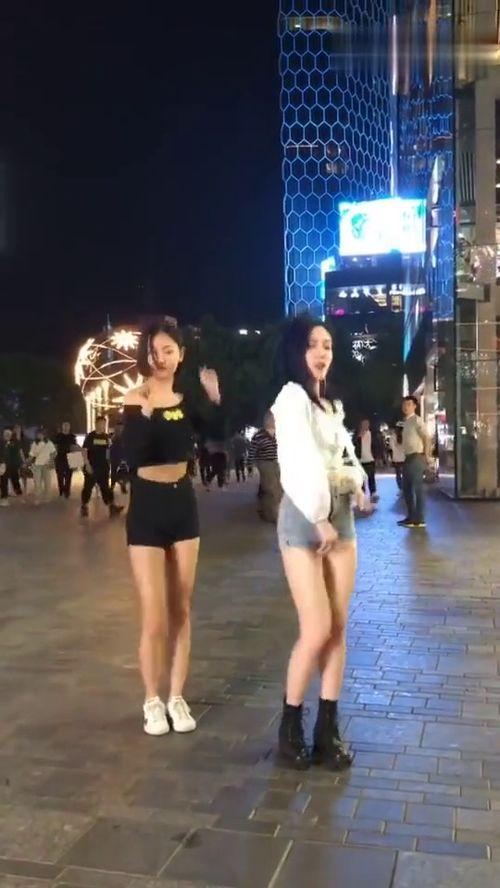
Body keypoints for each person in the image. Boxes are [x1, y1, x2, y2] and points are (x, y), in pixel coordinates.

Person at [271, 315, 367, 770]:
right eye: (313, 344)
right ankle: (290, 727)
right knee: (316, 627)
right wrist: (319, 517)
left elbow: (344, 454)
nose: (322, 352)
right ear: (297, 351)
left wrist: (359, 483)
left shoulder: (330, 405)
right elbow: (299, 462)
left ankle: (328, 730)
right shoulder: (291, 398)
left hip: (340, 517)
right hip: (305, 518)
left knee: (338, 627)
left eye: (327, 344)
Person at [122, 318, 221, 737]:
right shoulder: (134, 397)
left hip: (183, 505)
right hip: (146, 507)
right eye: (153, 351)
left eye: (168, 351)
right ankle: (152, 700)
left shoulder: (188, 398)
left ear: (181, 355)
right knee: (154, 614)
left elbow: (215, 435)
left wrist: (215, 399)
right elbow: (131, 456)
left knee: (181, 608)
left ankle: (177, 697)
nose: (160, 358)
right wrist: (145, 416)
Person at [398, 396, 431, 529]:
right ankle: (411, 517)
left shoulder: (417, 420)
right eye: (404, 404)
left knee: (418, 488)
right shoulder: (406, 422)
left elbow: (426, 437)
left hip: (416, 456)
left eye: (409, 404)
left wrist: (426, 455)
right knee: (406, 488)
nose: (406, 407)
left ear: (414, 406)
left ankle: (420, 519)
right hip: (408, 457)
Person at [80, 416, 123, 518]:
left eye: (104, 424)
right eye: (101, 424)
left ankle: (112, 507)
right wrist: (87, 464)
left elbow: (108, 451)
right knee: (88, 488)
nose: (103, 426)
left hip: (103, 467)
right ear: (96, 424)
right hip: (92, 467)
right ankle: (84, 507)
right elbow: (84, 451)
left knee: (106, 488)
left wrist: (109, 464)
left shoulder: (106, 437)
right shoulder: (90, 436)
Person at [249, 413, 282, 523]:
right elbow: (252, 452)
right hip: (265, 463)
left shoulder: (280, 433)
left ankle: (269, 511)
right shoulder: (259, 436)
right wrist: (250, 466)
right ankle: (273, 515)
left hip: (278, 463)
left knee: (279, 489)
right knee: (271, 489)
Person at [354, 419, 379, 503]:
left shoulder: (372, 434)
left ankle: (373, 493)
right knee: (361, 479)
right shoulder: (357, 435)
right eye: (363, 424)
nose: (365, 426)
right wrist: (358, 437)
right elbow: (353, 444)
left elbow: (376, 445)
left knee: (371, 477)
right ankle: (362, 494)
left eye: (367, 424)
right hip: (360, 460)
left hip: (370, 459)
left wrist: (376, 456)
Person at [29, 429, 56, 503]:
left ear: (44, 435)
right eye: (38, 434)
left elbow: (54, 453)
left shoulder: (49, 443)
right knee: (37, 482)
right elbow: (31, 454)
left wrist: (50, 460)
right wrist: (27, 462)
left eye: (41, 434)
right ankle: (38, 498)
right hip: (37, 465)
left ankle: (47, 497)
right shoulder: (35, 443)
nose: (39, 435)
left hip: (46, 465)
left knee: (47, 482)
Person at [0, 428, 24, 505]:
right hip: (3, 465)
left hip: (13, 465)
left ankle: (19, 494)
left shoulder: (14, 443)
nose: (7, 436)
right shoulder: (1, 443)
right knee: (3, 481)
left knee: (15, 480)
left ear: (10, 435)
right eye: (5, 434)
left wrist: (21, 463)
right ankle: (4, 498)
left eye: (8, 434)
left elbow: (18, 453)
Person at [54, 421, 77, 498]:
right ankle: (61, 491)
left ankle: (67, 491)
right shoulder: (58, 436)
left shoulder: (72, 437)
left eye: (67, 426)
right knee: (60, 476)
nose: (66, 427)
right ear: (62, 427)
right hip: (60, 458)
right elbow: (55, 447)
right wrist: (53, 458)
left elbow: (74, 449)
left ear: (69, 427)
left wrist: (75, 462)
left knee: (68, 476)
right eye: (64, 426)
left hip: (69, 458)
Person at [110, 421, 129, 494]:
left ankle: (122, 485)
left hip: (122, 458)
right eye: (118, 428)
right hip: (114, 458)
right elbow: (109, 447)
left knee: (124, 473)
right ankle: (113, 486)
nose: (119, 429)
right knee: (114, 473)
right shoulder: (112, 437)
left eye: (121, 428)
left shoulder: (125, 438)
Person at [13, 424, 31, 495]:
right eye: (16, 428)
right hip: (14, 459)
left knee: (24, 473)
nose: (17, 430)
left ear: (21, 429)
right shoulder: (12, 439)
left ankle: (25, 488)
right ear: (14, 430)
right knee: (15, 475)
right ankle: (17, 489)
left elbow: (27, 448)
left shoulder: (24, 438)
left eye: (18, 428)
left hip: (23, 458)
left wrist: (26, 459)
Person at [389, 423, 405, 492]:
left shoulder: (393, 437)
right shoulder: (406, 436)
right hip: (405, 458)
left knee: (398, 474)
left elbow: (391, 448)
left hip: (396, 458)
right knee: (405, 474)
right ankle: (405, 487)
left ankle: (400, 488)